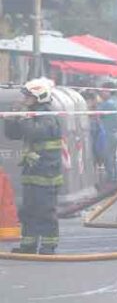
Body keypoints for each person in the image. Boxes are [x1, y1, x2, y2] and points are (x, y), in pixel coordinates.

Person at [4, 79, 62, 254]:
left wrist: (23, 117)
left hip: (47, 173)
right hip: (32, 171)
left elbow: (35, 132)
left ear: (39, 96)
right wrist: (12, 118)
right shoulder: (31, 114)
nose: (25, 99)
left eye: (28, 96)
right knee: (28, 211)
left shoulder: (48, 116)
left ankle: (48, 245)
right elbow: (13, 135)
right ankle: (28, 244)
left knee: (45, 211)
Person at [98, 82, 117, 182]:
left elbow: (97, 115)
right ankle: (116, 177)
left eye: (103, 91)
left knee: (109, 157)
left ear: (109, 91)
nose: (101, 93)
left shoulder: (108, 104)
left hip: (109, 134)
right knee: (115, 157)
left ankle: (112, 178)